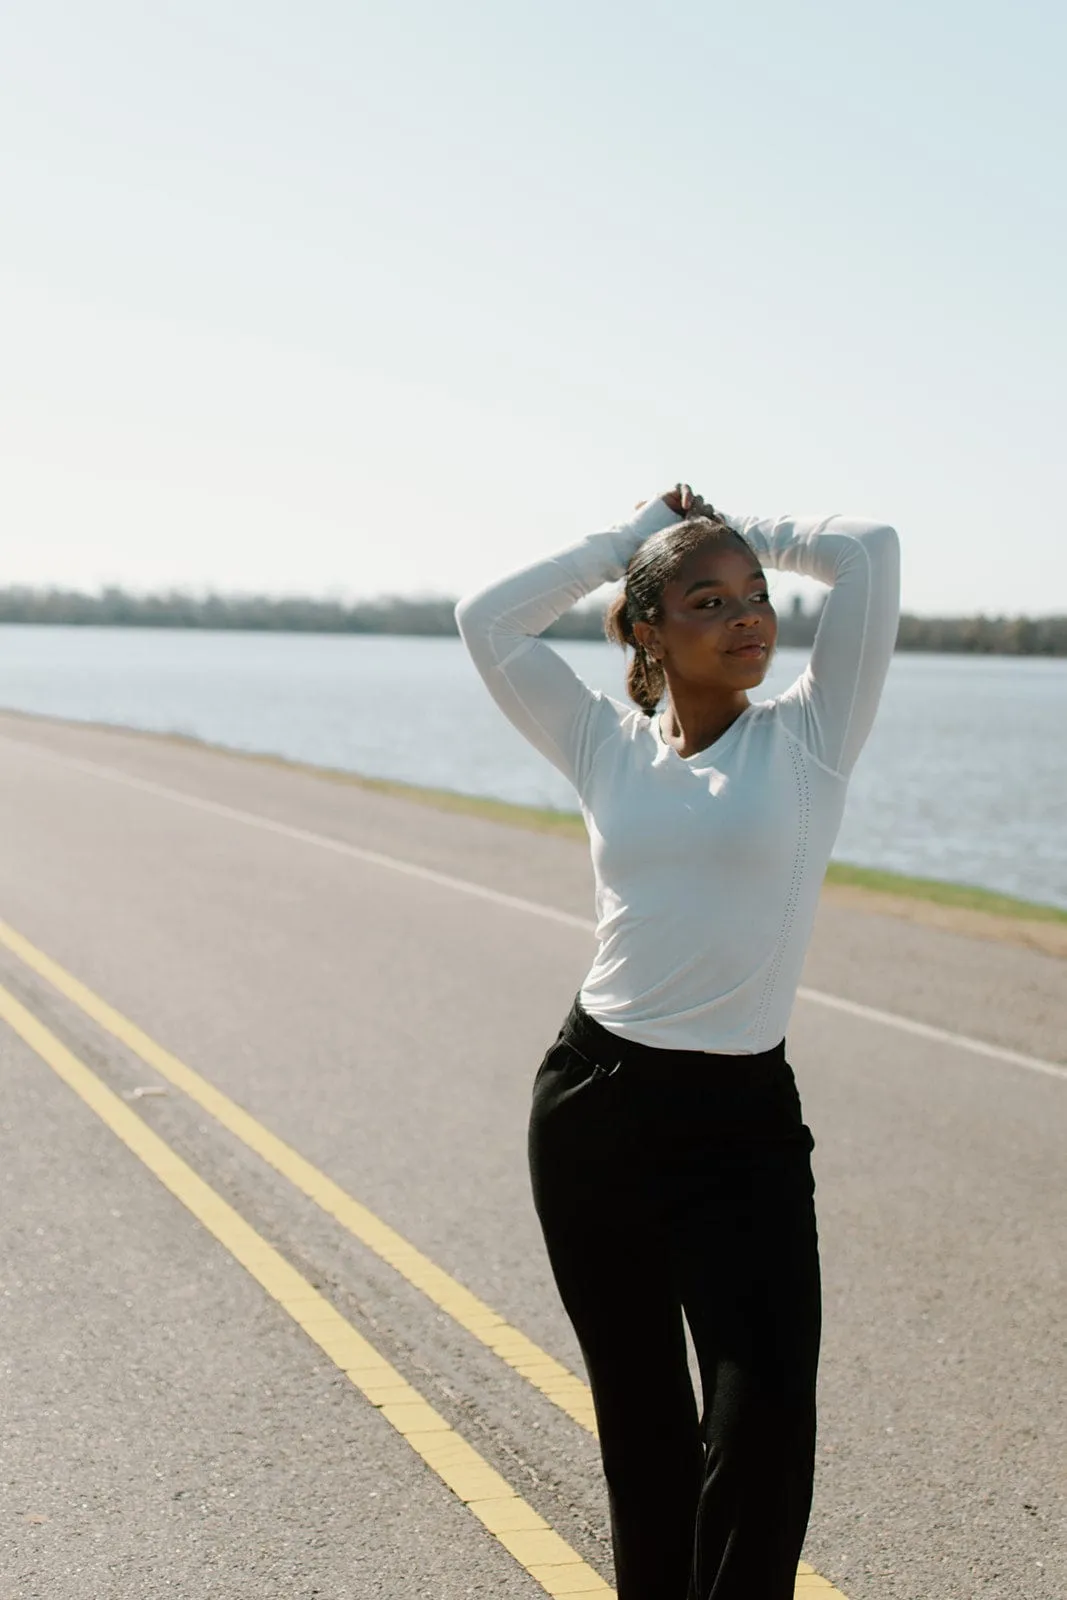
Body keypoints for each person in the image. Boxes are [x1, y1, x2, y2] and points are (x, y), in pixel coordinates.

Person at [454, 482, 900, 1600]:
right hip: (594, 1105)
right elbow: (484, 619)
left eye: (756, 594)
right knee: (644, 1431)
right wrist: (623, 541)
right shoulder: (603, 744)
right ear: (647, 627)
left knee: (761, 1431)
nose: (749, 615)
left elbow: (871, 548)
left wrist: (747, 525)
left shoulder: (810, 735)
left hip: (741, 1126)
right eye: (707, 599)